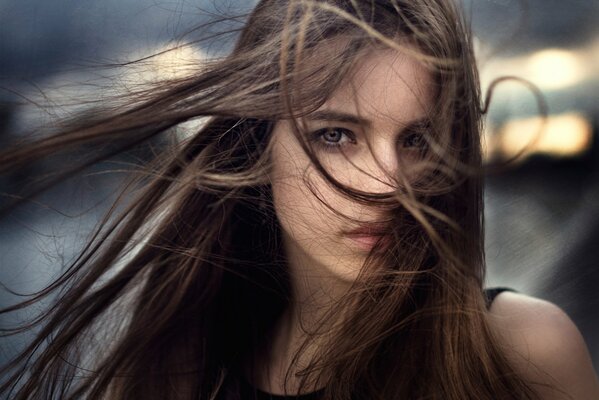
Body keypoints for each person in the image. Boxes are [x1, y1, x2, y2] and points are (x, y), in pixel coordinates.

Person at [0, 0, 598, 399]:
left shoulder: (522, 351)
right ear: (258, 146)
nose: (386, 183)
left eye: (417, 140)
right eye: (336, 135)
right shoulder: (178, 370)